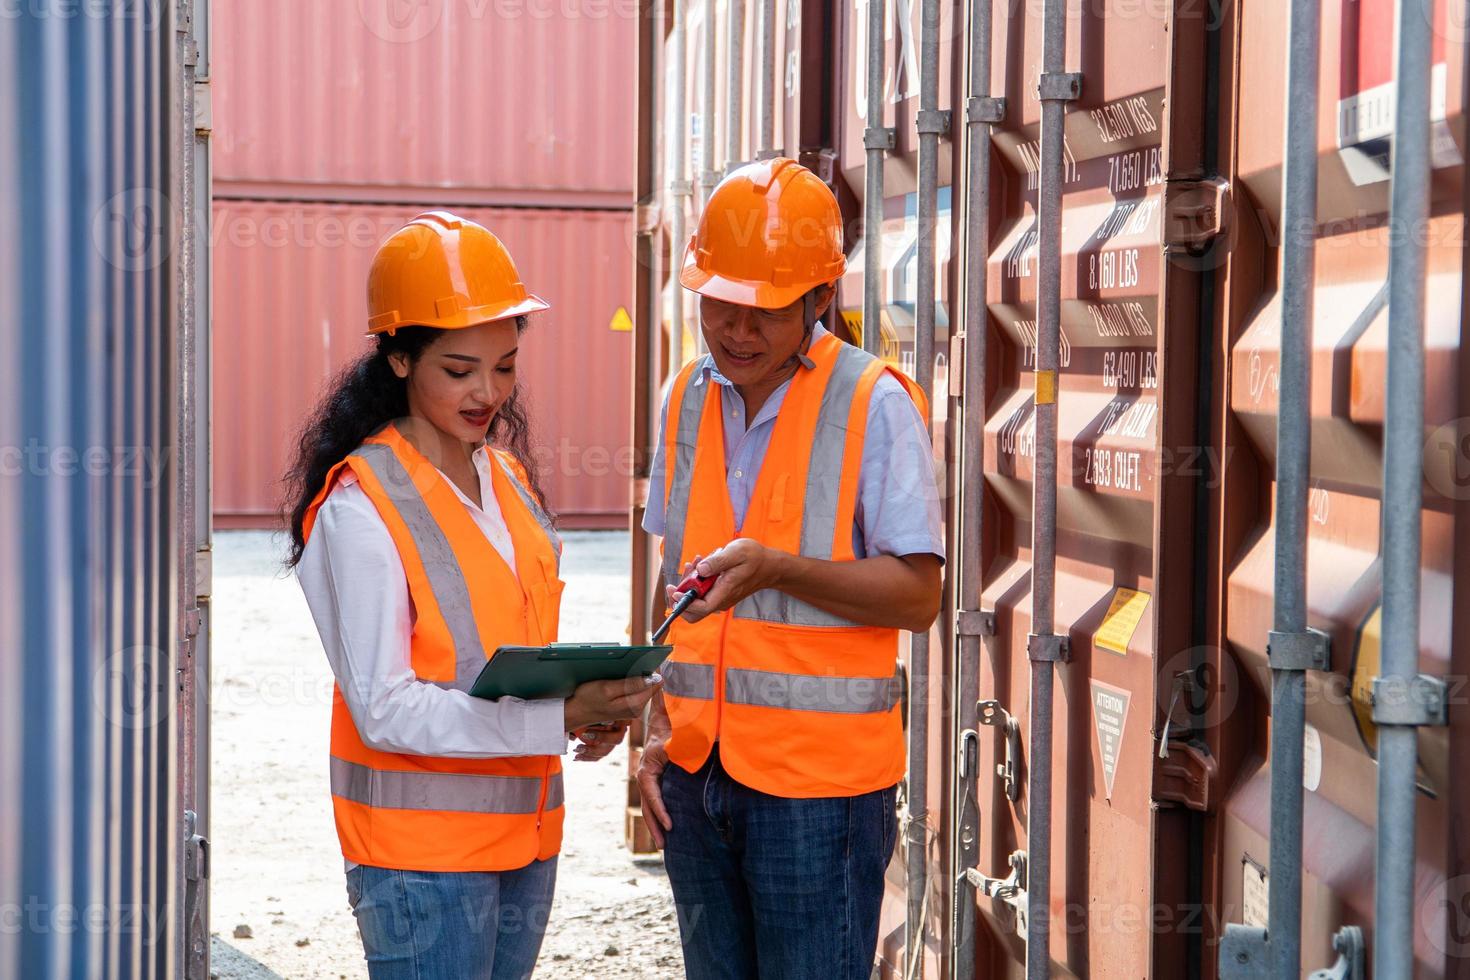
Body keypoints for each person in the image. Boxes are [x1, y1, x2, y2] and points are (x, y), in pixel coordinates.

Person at [282, 211, 659, 980]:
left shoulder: (506, 480)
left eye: (507, 366)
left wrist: (591, 705)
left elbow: (507, 645)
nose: (488, 392)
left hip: (524, 838)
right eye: (459, 370)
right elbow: (383, 707)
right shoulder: (361, 507)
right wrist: (557, 717)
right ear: (396, 357)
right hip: (422, 864)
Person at [635, 159, 945, 979]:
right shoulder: (683, 400)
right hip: (697, 777)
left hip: (821, 797)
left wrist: (777, 568)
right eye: (721, 304)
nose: (737, 331)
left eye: (765, 311)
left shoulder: (873, 403)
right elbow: (672, 581)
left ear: (818, 300)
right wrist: (654, 725)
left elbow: (919, 596)